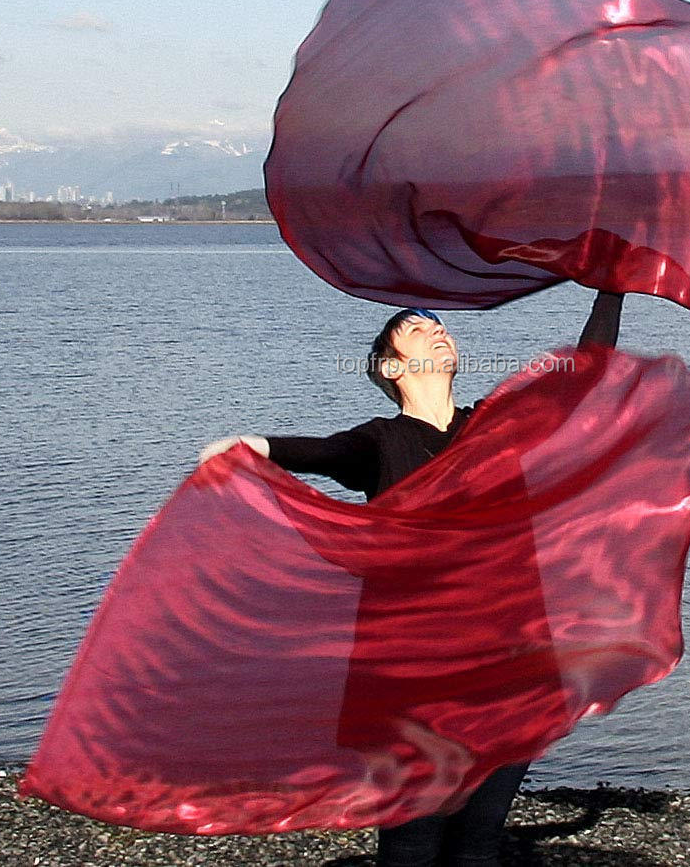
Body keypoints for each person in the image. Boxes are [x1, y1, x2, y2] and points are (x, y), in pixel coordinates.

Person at [199, 288, 624, 867]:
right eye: (417, 330)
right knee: (412, 844)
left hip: (508, 668)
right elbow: (324, 452)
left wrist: (611, 287)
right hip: (413, 678)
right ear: (393, 368)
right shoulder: (380, 443)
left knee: (479, 844)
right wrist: (253, 446)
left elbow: (583, 378)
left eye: (441, 326)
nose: (438, 330)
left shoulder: (495, 427)